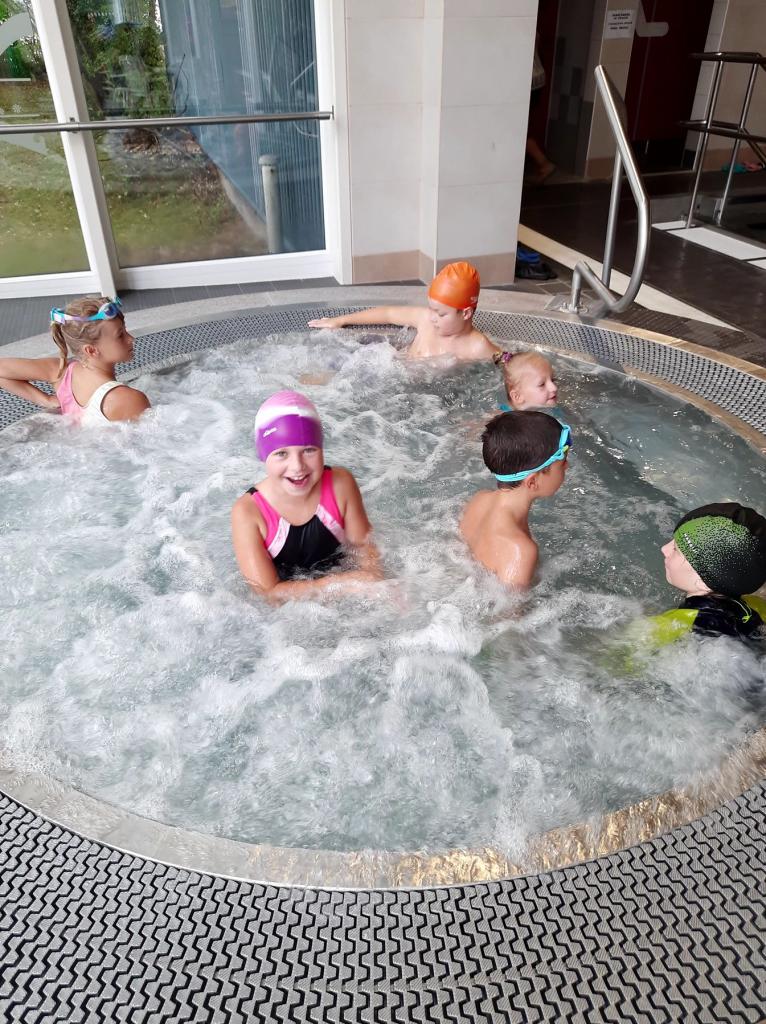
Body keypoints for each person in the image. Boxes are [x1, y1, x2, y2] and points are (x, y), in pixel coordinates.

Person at [231, 390, 382, 599]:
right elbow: (269, 594)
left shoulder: (341, 485)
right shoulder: (248, 512)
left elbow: (365, 552)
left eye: (309, 450)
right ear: (264, 456)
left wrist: (379, 585)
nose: (297, 466)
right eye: (281, 453)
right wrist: (341, 585)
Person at [460, 411, 571, 588]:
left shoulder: (479, 500)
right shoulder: (522, 552)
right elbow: (510, 606)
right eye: (562, 463)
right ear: (532, 482)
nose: (567, 466)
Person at [0, 296, 150, 423]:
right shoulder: (127, 399)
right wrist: (46, 400)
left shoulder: (60, 372)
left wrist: (45, 400)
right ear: (91, 350)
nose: (131, 339)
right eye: (120, 335)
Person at [307, 262, 499, 361]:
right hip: (392, 373)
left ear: (465, 313)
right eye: (431, 309)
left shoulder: (477, 346)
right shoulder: (425, 319)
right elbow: (388, 313)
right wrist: (341, 320)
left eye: (441, 314)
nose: (432, 318)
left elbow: (509, 368)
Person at [648, 503, 766, 645]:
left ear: (703, 581)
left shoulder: (671, 625)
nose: (664, 549)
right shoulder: (756, 607)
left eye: (675, 550)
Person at [494, 350, 559, 411]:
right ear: (518, 396)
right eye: (542, 384)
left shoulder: (550, 407)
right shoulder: (503, 417)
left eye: (552, 380)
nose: (554, 388)